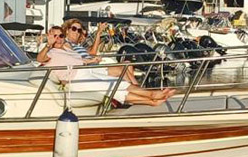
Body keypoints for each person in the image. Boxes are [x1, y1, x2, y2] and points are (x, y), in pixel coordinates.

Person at [37, 26, 175, 106]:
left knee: (115, 83)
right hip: (76, 80)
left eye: (61, 36)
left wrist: (91, 61)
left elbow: (80, 60)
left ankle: (151, 99)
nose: (59, 38)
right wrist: (48, 45)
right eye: (55, 36)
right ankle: (151, 96)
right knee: (111, 88)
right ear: (50, 36)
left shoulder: (65, 49)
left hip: (86, 72)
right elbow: (40, 58)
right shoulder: (50, 52)